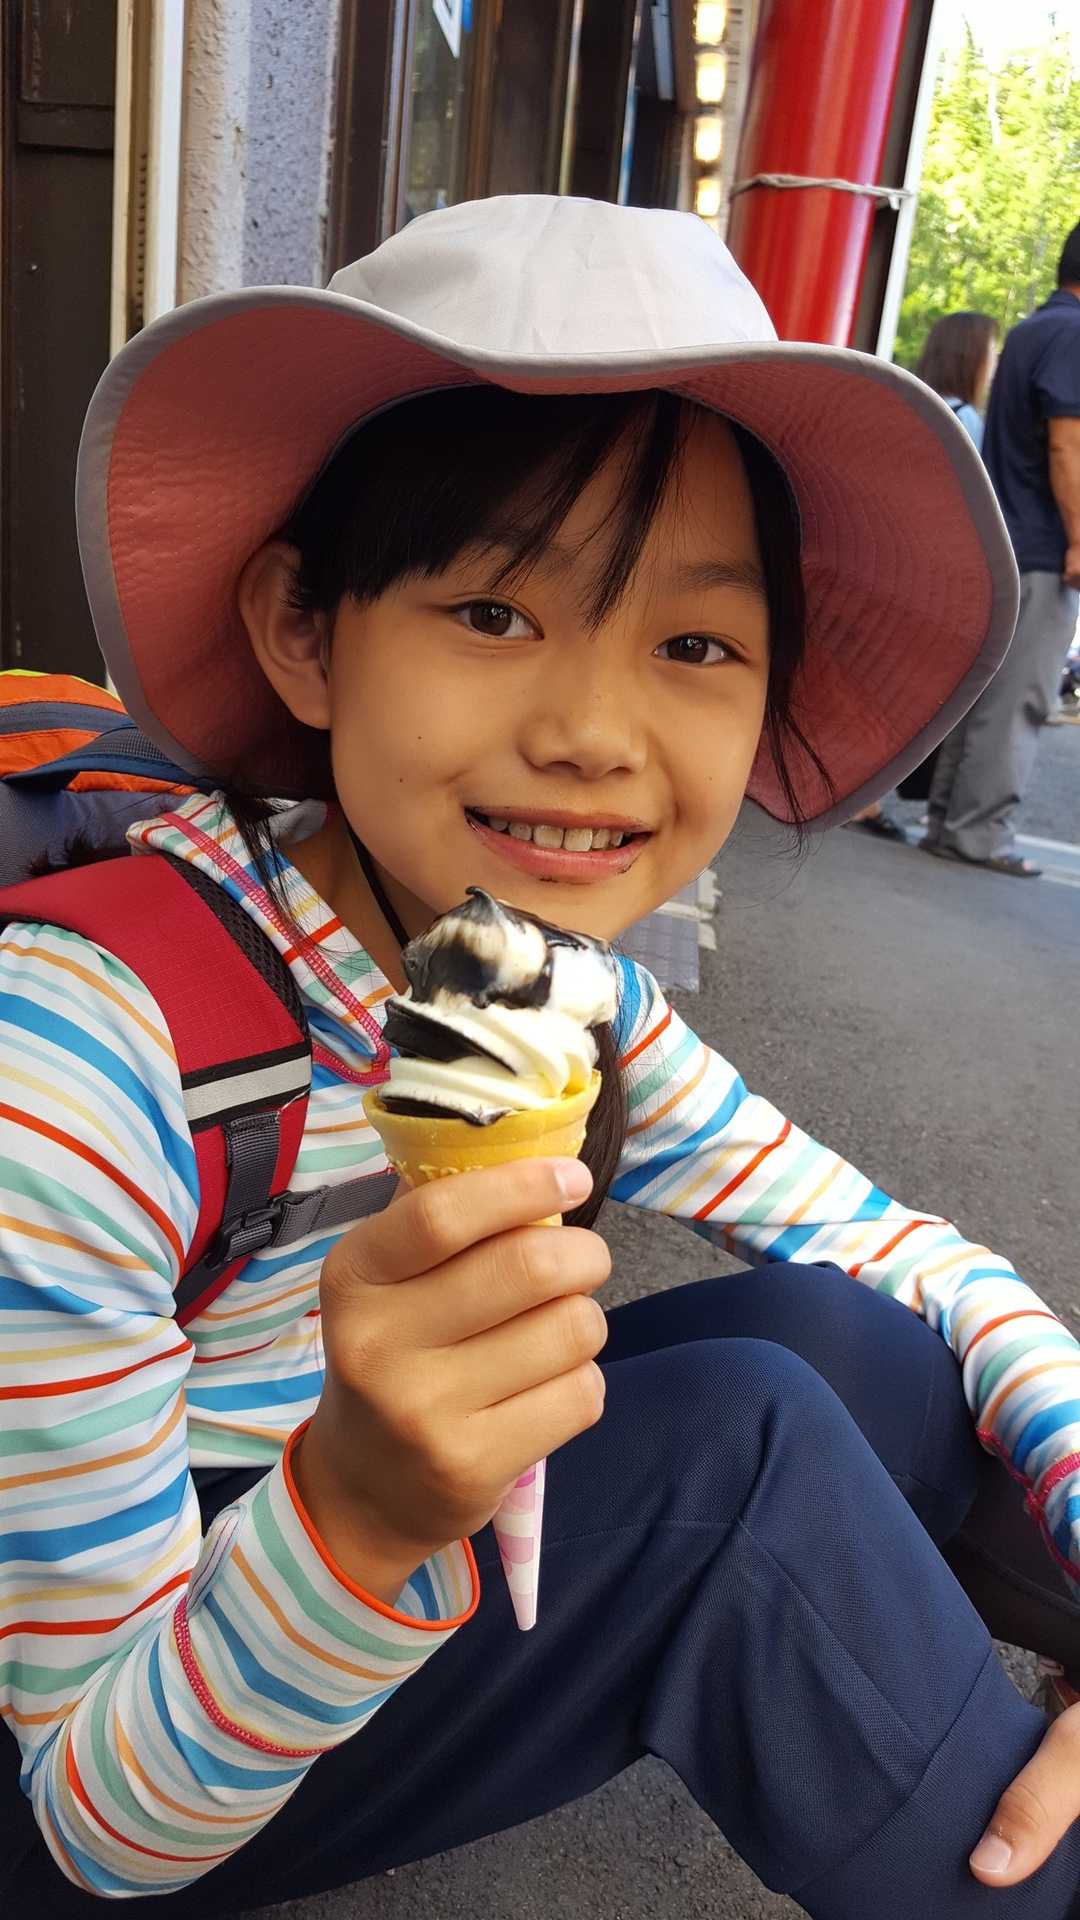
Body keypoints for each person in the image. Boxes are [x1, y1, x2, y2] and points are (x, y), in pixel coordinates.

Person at [3, 197, 1080, 1920]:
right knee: (740, 1469)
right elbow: (89, 1819)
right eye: (496, 612)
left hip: (322, 1556)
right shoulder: (85, 1055)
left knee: (857, 1343)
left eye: (696, 645)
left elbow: (907, 1256)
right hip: (103, 1736)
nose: (591, 733)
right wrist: (360, 1518)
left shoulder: (563, 1002)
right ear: (306, 631)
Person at [925, 224, 1080, 876]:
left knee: (986, 690)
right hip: (1046, 544)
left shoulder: (1031, 331)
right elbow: (1066, 444)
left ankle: (948, 820)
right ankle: (979, 833)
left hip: (1006, 536)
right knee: (1020, 697)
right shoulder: (1073, 335)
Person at [849, 308, 999, 840]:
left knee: (863, 680)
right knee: (901, 692)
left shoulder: (911, 403)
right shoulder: (969, 420)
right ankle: (866, 800)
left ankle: (850, 791)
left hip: (880, 556)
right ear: (973, 358)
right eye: (991, 353)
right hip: (930, 573)